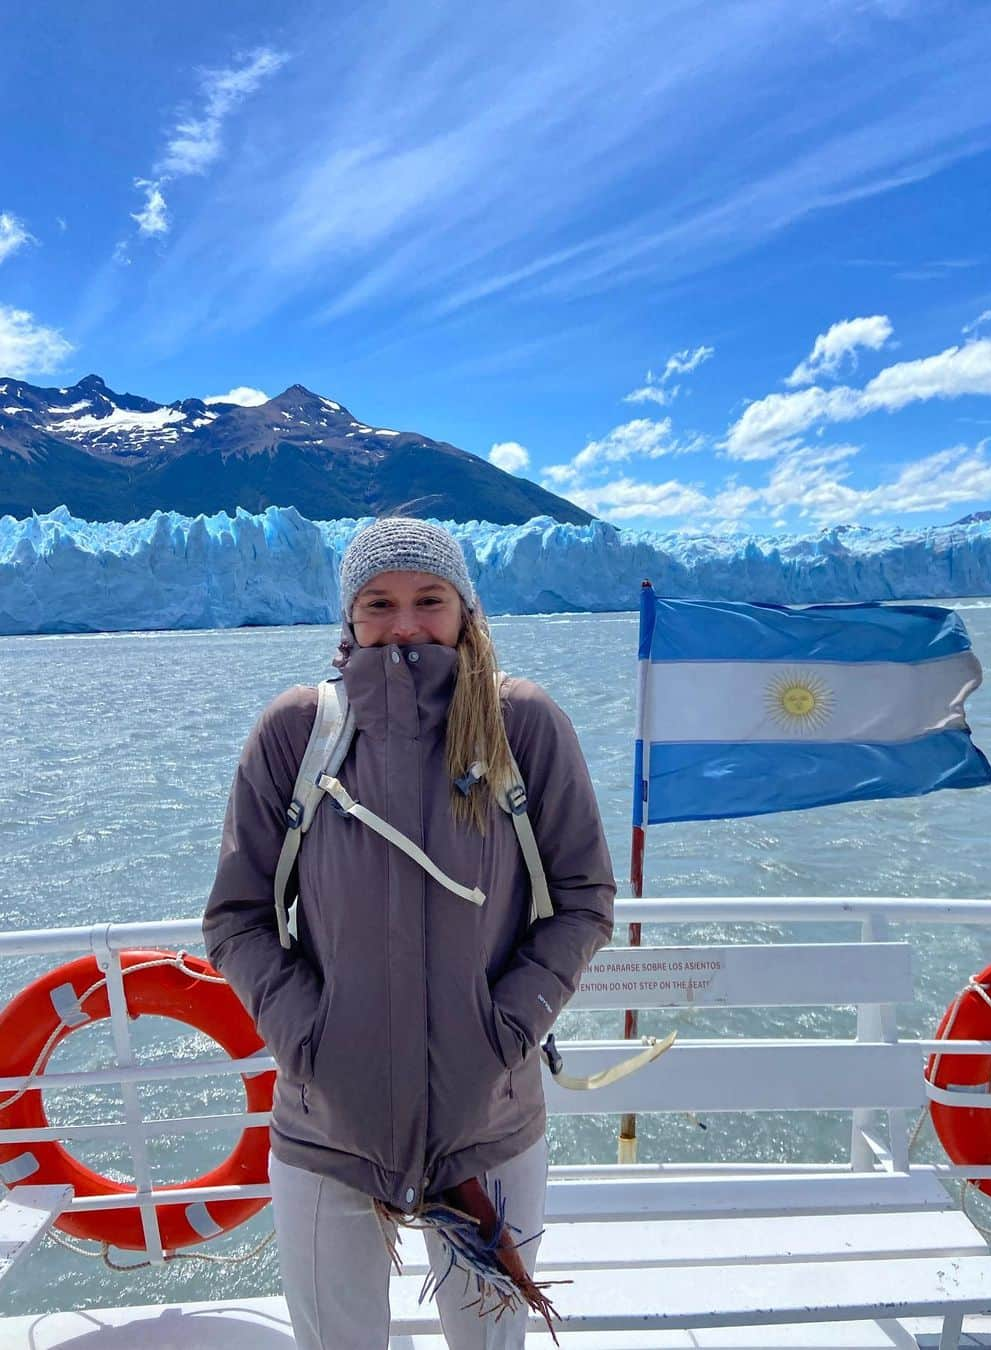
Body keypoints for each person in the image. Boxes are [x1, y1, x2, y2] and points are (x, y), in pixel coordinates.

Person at [202, 516, 616, 1349]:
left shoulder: (520, 725)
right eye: (378, 603)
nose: (404, 625)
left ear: (465, 611)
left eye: (429, 600)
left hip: (487, 1123)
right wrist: (309, 1038)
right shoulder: (298, 733)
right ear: (347, 619)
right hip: (327, 1126)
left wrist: (505, 1029)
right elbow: (238, 917)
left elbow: (584, 896)